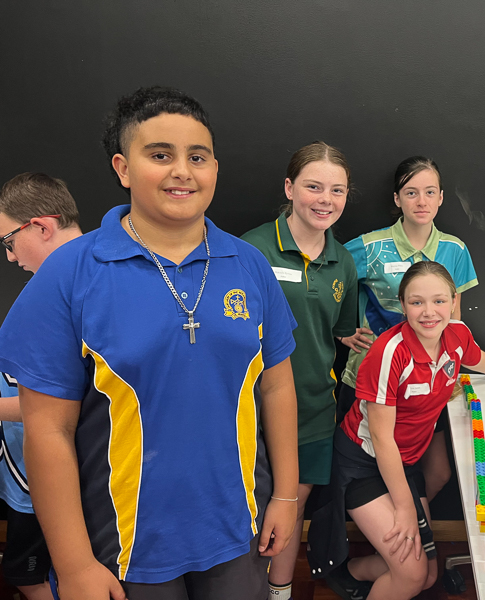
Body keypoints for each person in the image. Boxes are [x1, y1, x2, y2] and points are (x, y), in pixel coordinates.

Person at [0, 86, 299, 600]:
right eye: (160, 155)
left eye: (197, 157)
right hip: (124, 543)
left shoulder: (248, 265)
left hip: (237, 528)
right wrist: (73, 565)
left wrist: (287, 495)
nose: (182, 171)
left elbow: (276, 387)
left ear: (214, 168)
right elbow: (48, 430)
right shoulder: (69, 275)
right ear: (123, 168)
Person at [310, 261, 485, 600]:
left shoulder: (457, 335)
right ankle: (359, 573)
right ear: (402, 304)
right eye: (416, 302)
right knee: (412, 577)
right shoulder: (389, 353)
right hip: (364, 465)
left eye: (439, 301)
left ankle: (350, 573)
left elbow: (475, 357)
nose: (429, 312)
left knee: (426, 577)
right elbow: (382, 440)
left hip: (404, 463)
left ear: (453, 302)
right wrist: (405, 508)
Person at [241, 141, 358, 600]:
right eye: (314, 187)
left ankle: (280, 593)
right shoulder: (250, 250)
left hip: (312, 412)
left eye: (337, 190)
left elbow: (338, 332)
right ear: (290, 188)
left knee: (291, 509)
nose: (325, 199)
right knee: (250, 513)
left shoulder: (343, 261)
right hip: (249, 411)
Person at [338, 156, 478, 505]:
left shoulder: (455, 250)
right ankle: (393, 524)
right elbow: (327, 278)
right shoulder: (369, 247)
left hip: (430, 382)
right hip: (372, 379)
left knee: (437, 471)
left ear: (441, 197)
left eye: (430, 192)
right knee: (374, 464)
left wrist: (454, 371)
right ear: (397, 199)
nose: (421, 201)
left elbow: (455, 318)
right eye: (411, 192)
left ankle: (412, 519)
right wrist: (340, 331)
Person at [0, 172, 83, 600]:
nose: (10, 256)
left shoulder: (74, 289)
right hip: (34, 469)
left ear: (42, 227)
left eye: (9, 241)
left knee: (40, 576)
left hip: (60, 478)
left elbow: (72, 403)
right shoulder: (57, 285)